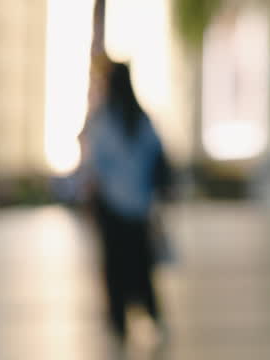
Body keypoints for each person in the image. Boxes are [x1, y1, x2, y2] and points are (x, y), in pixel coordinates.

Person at [84, 63, 173, 344]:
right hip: (139, 205)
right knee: (141, 266)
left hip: (113, 207)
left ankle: (119, 323)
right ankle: (150, 316)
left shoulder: (104, 120)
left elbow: (95, 166)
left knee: (115, 266)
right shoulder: (141, 119)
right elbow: (156, 157)